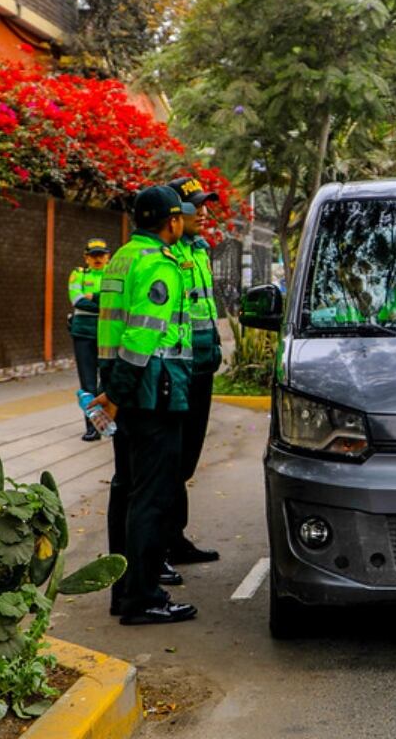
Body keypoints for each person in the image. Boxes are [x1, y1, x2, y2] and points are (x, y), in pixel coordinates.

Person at [93, 185, 199, 626]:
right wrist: (117, 395)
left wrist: (112, 390)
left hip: (124, 386)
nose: (183, 224)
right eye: (180, 218)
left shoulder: (121, 257)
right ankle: (143, 596)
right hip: (153, 390)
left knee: (127, 489)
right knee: (152, 497)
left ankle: (124, 589)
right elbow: (141, 337)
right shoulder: (160, 264)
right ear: (170, 221)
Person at [166, 177, 223, 566]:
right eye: (195, 206)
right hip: (179, 370)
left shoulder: (200, 251)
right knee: (170, 462)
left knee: (186, 462)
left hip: (203, 368)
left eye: (205, 205)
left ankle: (176, 538)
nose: (203, 212)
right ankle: (161, 548)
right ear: (175, 213)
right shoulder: (169, 255)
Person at [68, 238, 110, 441]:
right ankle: (92, 427)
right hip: (83, 334)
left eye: (101, 255)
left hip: (107, 333)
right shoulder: (78, 274)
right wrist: (104, 303)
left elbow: (119, 301)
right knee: (88, 383)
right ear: (86, 257)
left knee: (108, 380)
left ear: (108, 256)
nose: (98, 259)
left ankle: (106, 422)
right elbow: (77, 300)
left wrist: (95, 297)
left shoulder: (114, 275)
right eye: (93, 255)